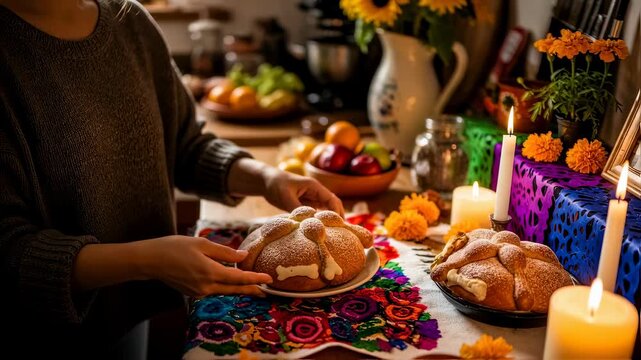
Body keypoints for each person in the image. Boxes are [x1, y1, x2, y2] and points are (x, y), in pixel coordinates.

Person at [0, 0, 343, 358]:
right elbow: (9, 249)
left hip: (129, 316)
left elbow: (184, 145)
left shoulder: (130, 23)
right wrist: (146, 260)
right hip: (43, 335)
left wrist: (267, 178)